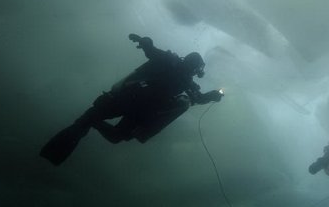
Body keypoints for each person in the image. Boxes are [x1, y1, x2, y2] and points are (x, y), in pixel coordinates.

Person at [40, 34, 223, 165]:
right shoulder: (177, 70)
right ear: (194, 66)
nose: (197, 72)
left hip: (129, 100)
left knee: (100, 129)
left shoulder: (181, 74)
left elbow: (152, 51)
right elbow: (153, 52)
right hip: (135, 105)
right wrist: (213, 96)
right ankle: (60, 148)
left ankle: (66, 141)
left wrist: (145, 42)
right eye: (198, 69)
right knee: (113, 135)